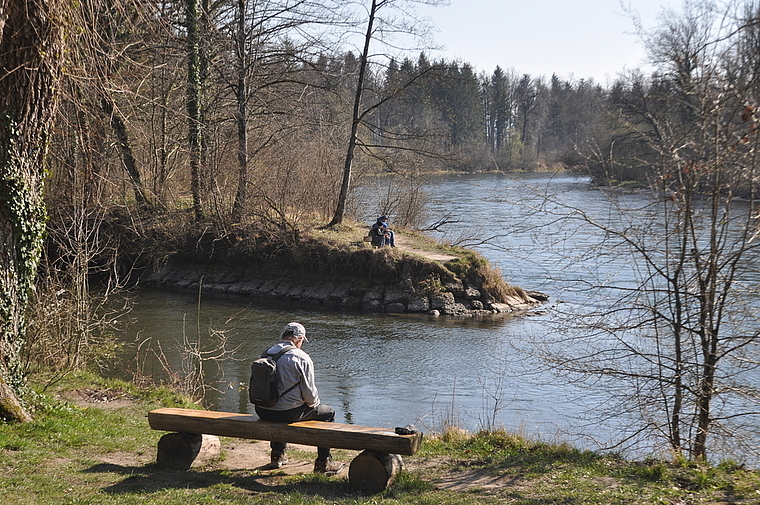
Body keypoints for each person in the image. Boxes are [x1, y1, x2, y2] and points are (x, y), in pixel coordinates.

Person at [254, 322, 344, 475]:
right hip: (288, 413)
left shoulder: (267, 352)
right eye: (302, 341)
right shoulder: (301, 357)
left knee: (279, 405)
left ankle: (277, 455)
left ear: (284, 336)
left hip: (262, 410)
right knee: (328, 413)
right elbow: (309, 394)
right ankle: (324, 463)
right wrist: (314, 405)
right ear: (299, 339)